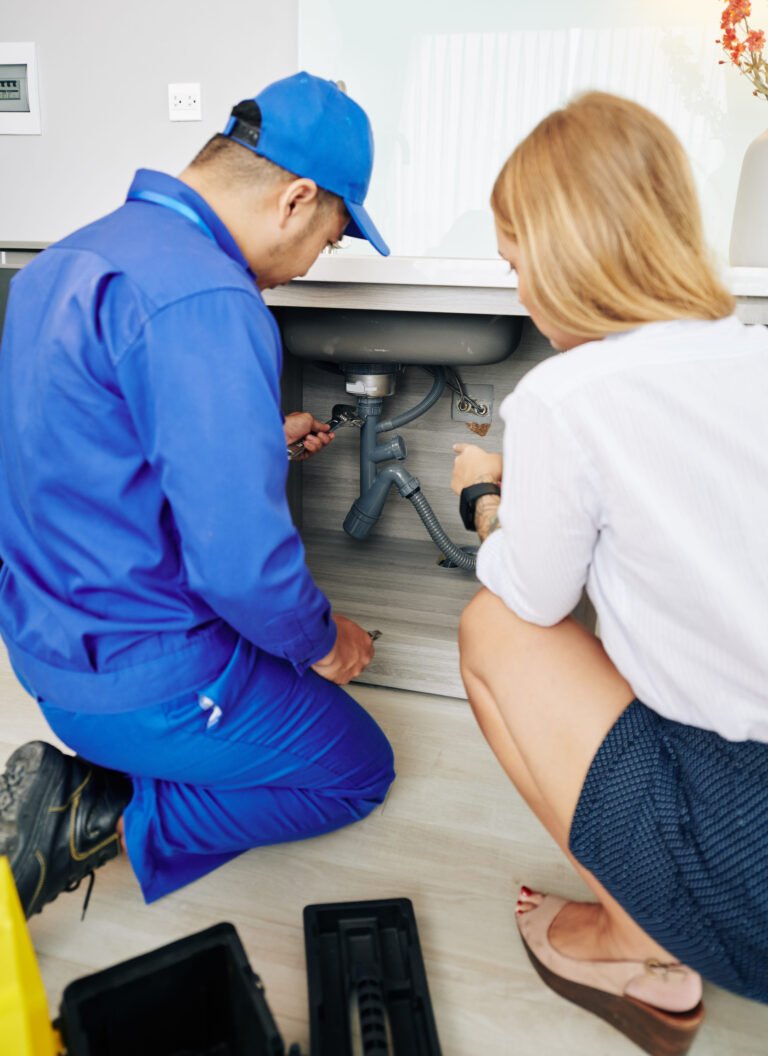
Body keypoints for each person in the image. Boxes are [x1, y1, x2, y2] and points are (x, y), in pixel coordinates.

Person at [0, 71, 395, 917]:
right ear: (294, 199)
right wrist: (326, 644)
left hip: (48, 653)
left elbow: (79, 453)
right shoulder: (210, 294)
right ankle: (92, 814)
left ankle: (114, 770)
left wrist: (248, 444)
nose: (310, 265)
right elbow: (245, 573)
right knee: (358, 770)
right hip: (146, 679)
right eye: (329, 240)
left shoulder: (61, 260)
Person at [451, 91, 768, 1055]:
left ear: (560, 254)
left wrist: (484, 501)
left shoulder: (567, 394)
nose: (517, 295)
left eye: (517, 266)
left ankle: (638, 943)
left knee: (492, 628)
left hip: (748, 866)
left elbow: (534, 593)